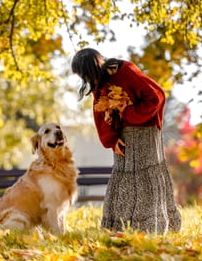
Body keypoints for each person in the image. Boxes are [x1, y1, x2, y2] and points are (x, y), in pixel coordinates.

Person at [71, 48, 182, 233]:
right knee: (124, 180)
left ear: (93, 67)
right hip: (123, 138)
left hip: (145, 133)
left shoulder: (127, 71)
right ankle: (120, 228)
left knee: (145, 179)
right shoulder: (99, 83)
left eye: (84, 74)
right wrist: (112, 140)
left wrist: (128, 113)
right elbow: (100, 113)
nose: (85, 80)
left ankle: (149, 227)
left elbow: (156, 96)